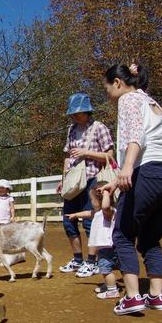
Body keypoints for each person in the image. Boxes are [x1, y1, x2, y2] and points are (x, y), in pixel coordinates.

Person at [101, 63, 162, 315]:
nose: (108, 95)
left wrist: (126, 169)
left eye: (107, 89)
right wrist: (117, 179)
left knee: (122, 235)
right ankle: (157, 296)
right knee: (150, 238)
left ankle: (133, 297)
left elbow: (136, 137)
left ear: (118, 83)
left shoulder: (128, 99)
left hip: (147, 172)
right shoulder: (150, 101)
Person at [57, 93, 115, 278]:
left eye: (78, 113)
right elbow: (67, 156)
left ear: (86, 111)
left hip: (93, 179)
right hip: (74, 181)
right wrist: (64, 178)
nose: (74, 116)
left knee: (91, 221)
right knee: (69, 221)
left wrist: (86, 153)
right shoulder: (71, 130)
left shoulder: (99, 128)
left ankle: (92, 261)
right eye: (72, 113)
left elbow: (110, 156)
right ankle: (77, 259)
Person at [66, 181, 120, 297]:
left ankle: (112, 290)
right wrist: (76, 215)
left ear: (100, 200)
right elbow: (87, 213)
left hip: (108, 247)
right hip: (104, 248)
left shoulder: (108, 211)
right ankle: (110, 285)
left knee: (105, 269)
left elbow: (105, 206)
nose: (90, 202)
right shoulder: (98, 212)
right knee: (107, 268)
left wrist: (106, 193)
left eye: (91, 199)